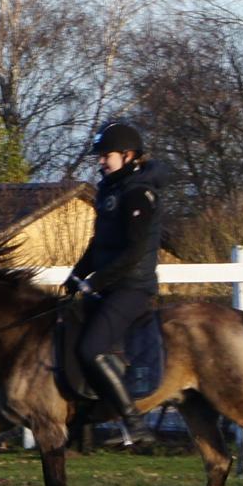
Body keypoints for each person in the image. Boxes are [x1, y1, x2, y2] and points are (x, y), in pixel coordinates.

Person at [65, 121, 167, 446]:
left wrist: (96, 281)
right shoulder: (111, 190)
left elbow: (134, 250)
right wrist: (76, 274)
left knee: (92, 348)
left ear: (128, 155)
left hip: (132, 287)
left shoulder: (138, 193)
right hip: (109, 285)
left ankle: (135, 424)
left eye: (105, 155)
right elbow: (99, 243)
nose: (100, 161)